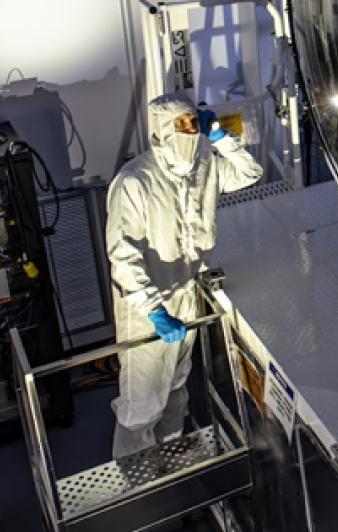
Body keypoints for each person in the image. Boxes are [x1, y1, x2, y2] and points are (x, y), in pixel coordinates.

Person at [106, 92, 263, 458]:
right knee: (141, 402)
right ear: (160, 130)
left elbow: (249, 172)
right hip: (147, 304)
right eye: (181, 125)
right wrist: (154, 310)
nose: (190, 131)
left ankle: (173, 460)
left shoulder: (206, 166)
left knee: (177, 384)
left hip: (186, 293)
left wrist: (221, 136)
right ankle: (136, 480)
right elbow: (123, 255)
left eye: (194, 122)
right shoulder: (134, 181)